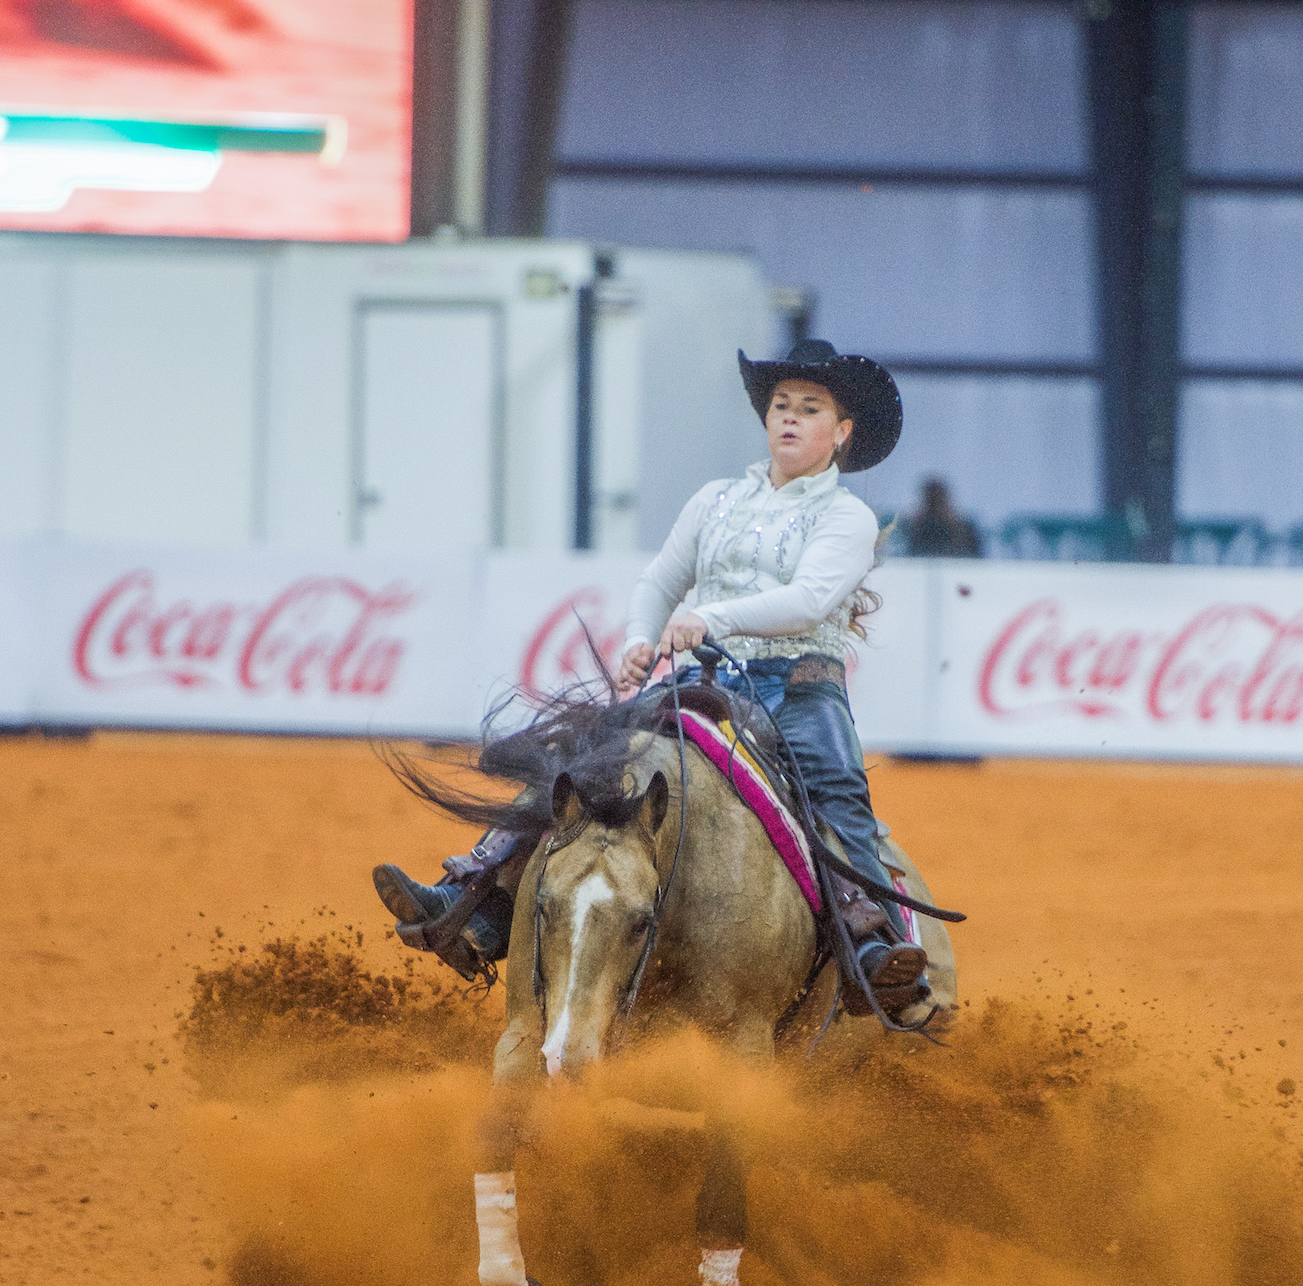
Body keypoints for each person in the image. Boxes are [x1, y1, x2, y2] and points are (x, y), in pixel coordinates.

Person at [372, 339, 931, 1007]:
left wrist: (711, 618)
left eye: (810, 409)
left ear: (841, 433)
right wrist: (642, 636)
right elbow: (661, 578)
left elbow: (810, 600)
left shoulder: (848, 516)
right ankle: (475, 898)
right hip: (709, 681)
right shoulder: (716, 500)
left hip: (802, 686)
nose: (789, 416)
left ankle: (871, 943)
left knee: (837, 789)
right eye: (781, 404)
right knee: (581, 757)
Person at [902, 476, 983, 556]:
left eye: (938, 501)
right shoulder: (911, 528)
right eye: (932, 501)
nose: (935, 507)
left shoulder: (965, 529)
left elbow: (976, 559)